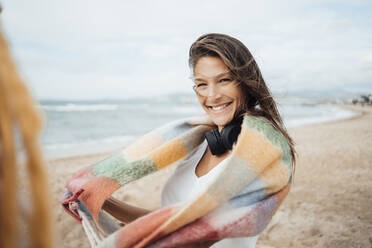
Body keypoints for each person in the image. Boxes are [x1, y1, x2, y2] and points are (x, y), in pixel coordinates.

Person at [64, 33, 296, 248]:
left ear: (245, 82)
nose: (212, 95)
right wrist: (99, 200)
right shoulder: (199, 143)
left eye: (224, 80)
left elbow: (195, 237)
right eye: (202, 84)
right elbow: (171, 224)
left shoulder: (264, 155)